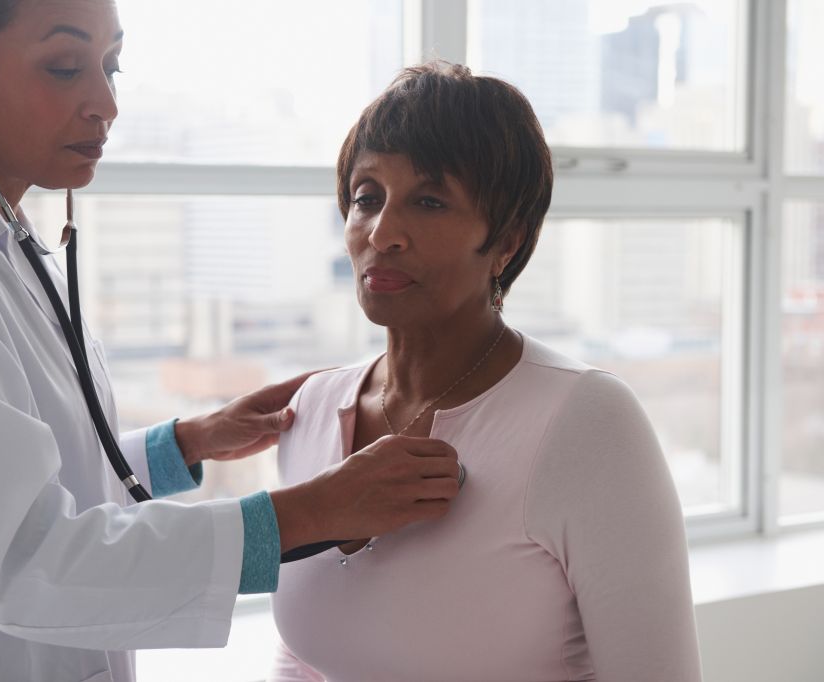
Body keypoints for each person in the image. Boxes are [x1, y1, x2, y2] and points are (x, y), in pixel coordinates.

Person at [0, 2, 464, 680]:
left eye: (110, 66)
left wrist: (184, 446)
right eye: (64, 67)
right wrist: (314, 510)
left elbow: (20, 468)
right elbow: (24, 557)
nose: (105, 104)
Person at [269, 62, 703, 682]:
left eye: (429, 200)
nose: (383, 232)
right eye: (367, 197)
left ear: (506, 241)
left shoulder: (588, 421)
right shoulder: (309, 408)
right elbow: (304, 657)